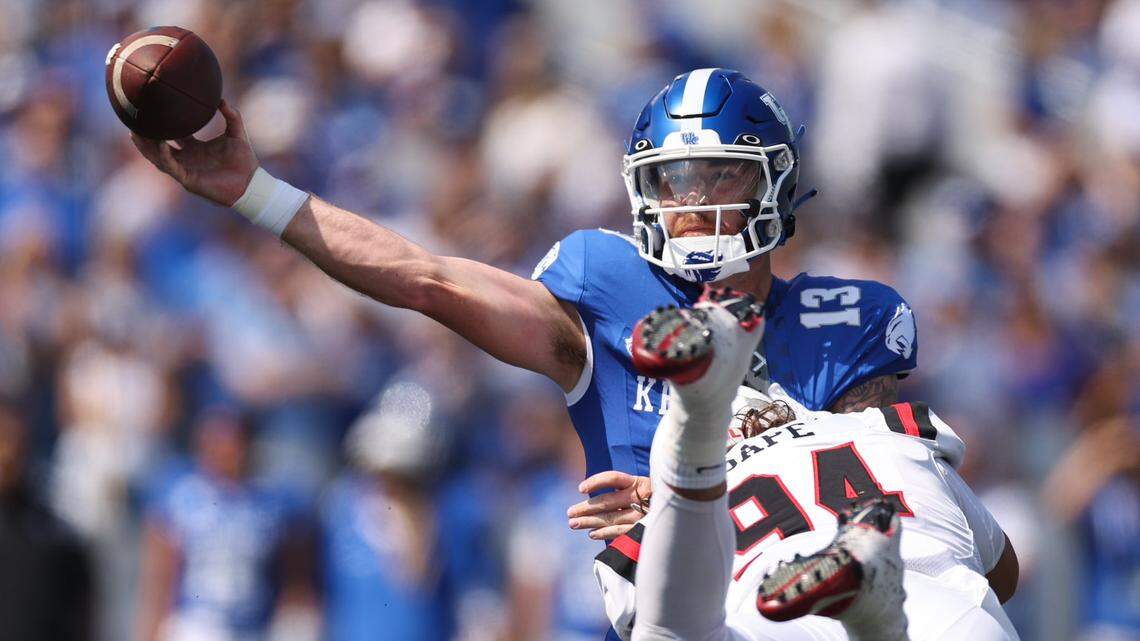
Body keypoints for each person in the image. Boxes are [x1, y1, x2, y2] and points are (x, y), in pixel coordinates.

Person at [130, 68, 917, 537]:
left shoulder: (843, 318)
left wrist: (679, 490)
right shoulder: (608, 286)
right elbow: (426, 277)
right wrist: (253, 192)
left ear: (774, 181)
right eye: (675, 182)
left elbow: (881, 508)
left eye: (722, 176)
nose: (695, 204)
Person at [590, 287, 1020, 641]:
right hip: (948, 617)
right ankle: (876, 619)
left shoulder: (666, 518)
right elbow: (1003, 573)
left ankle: (694, 415)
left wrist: (665, 508)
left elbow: (636, 607)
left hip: (774, 620)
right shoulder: (886, 434)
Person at [136, 407, 313, 641]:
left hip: (253, 626)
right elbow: (159, 578)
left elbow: (294, 579)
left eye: (234, 442)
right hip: (196, 625)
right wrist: (150, 631)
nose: (228, 451)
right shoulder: (180, 496)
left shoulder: (273, 503)